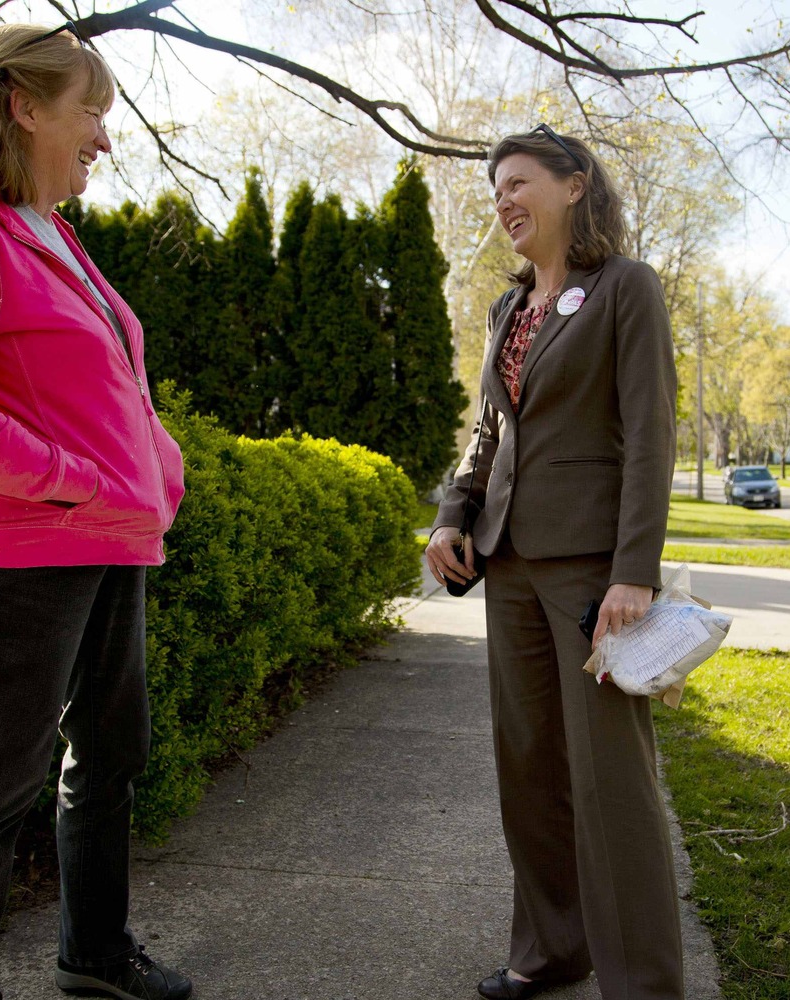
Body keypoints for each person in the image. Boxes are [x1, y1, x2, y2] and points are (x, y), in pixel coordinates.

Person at [0, 22, 191, 1000]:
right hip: (20, 549)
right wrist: (81, 478)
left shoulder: (50, 233)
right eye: (90, 111)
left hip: (108, 540)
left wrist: (157, 468)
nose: (105, 136)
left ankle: (93, 952)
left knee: (110, 754)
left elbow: (110, 389)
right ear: (23, 106)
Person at [425, 125, 682, 1000]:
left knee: (610, 782)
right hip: (508, 565)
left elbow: (649, 434)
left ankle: (642, 982)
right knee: (527, 769)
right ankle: (548, 953)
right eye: (495, 187)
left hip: (590, 570)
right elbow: (487, 431)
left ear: (574, 186)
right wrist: (452, 514)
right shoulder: (508, 309)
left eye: (518, 181)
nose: (503, 199)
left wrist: (633, 569)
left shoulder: (624, 289)